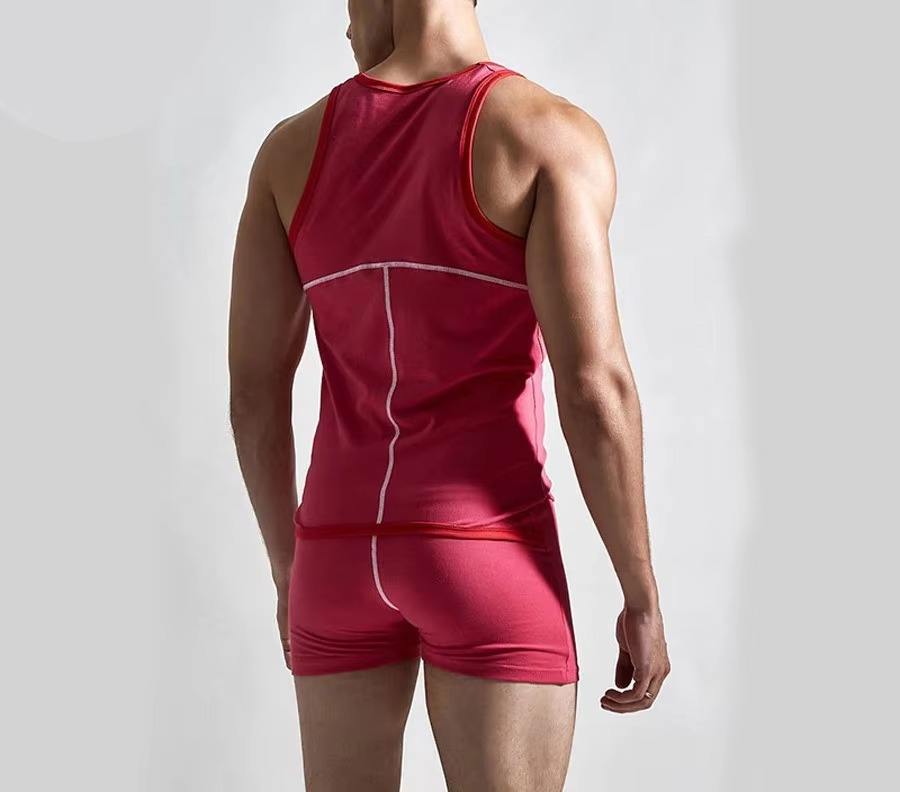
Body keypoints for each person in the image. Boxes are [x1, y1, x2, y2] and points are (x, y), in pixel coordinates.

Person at [228, 0, 670, 789]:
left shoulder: (286, 152)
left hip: (334, 551)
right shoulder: (545, 133)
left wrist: (290, 568)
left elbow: (255, 394)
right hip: (483, 548)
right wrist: (641, 594)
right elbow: (594, 387)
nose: (345, 27)